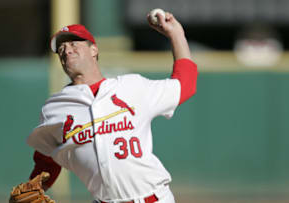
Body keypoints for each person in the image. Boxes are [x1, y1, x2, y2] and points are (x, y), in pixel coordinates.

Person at [27, 11, 198, 203]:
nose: (66, 51)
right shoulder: (54, 108)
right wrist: (35, 188)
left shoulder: (132, 87)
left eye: (74, 44)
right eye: (61, 49)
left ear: (94, 50)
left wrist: (176, 35)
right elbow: (46, 159)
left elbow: (186, 84)